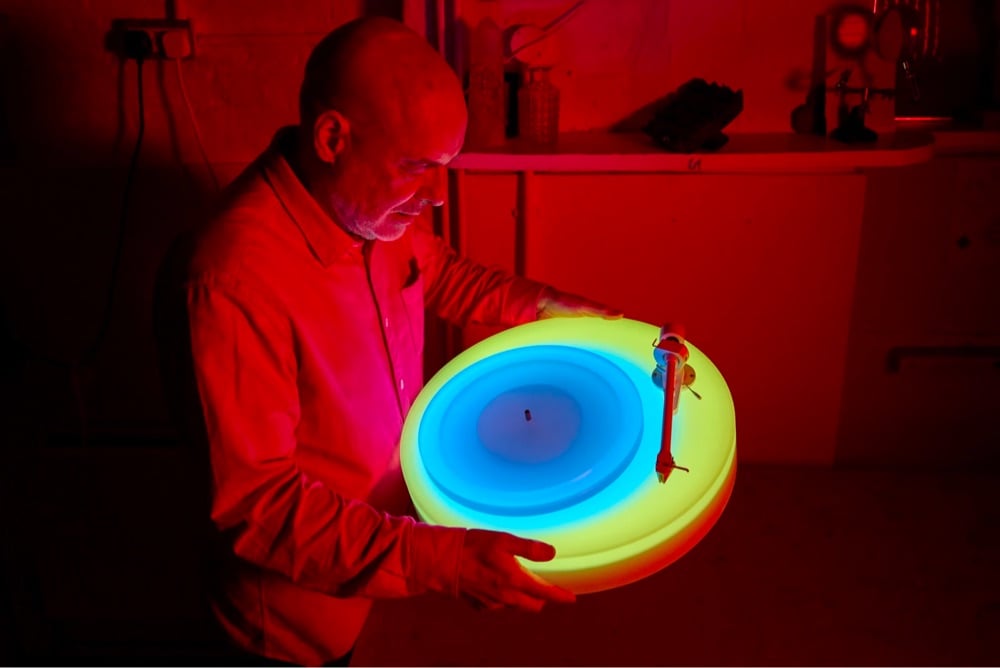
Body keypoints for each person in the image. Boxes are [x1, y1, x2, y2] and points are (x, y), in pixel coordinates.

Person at [155, 15, 621, 667]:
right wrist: (442, 560)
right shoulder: (232, 277)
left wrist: (571, 313)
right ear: (332, 137)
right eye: (417, 168)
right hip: (296, 627)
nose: (435, 196)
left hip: (377, 565)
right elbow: (257, 505)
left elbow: (443, 274)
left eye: (446, 167)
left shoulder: (370, 209)